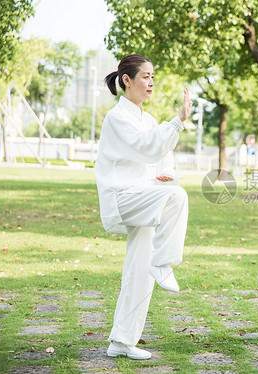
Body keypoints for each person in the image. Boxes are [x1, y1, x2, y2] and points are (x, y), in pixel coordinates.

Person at [95, 54, 192, 360]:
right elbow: (145, 146)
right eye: (145, 76)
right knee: (177, 197)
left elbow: (162, 157)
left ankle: (121, 341)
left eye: (153, 76)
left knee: (139, 269)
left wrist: (167, 173)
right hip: (122, 198)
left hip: (144, 197)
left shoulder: (148, 120)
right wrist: (178, 122)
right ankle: (164, 261)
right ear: (127, 80)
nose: (150, 82)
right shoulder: (117, 118)